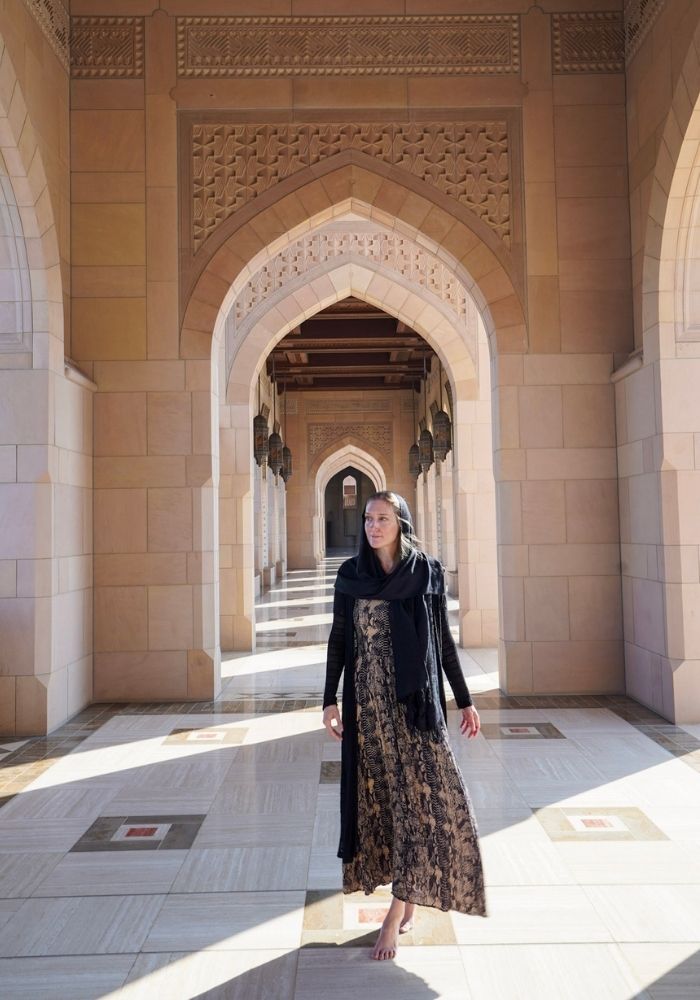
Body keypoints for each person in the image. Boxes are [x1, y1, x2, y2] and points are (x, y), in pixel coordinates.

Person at [322, 490, 487, 961]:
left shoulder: (424, 572)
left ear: (401, 524)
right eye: (369, 519)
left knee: (429, 798)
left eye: (382, 519)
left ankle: (396, 913)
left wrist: (464, 699)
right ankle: (403, 898)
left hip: (415, 708)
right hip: (368, 711)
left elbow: (443, 642)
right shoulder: (351, 576)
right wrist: (329, 699)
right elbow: (338, 639)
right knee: (389, 803)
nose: (372, 526)